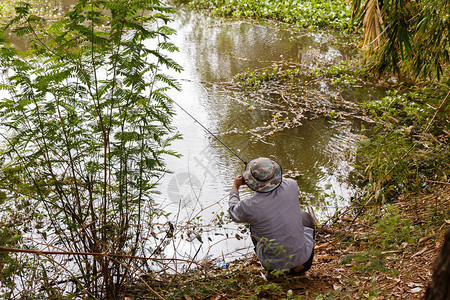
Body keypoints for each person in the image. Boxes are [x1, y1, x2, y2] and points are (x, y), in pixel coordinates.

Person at [229, 157, 315, 275]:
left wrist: (235, 187)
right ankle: (297, 269)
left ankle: (276, 271)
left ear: (251, 181)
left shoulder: (248, 206)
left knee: (253, 229)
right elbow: (280, 183)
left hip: (273, 268)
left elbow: (233, 212)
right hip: (305, 261)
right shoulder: (292, 185)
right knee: (305, 216)